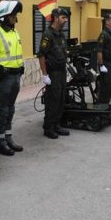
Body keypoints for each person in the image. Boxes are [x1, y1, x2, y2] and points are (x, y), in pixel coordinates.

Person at [0, 0, 24, 156]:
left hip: (16, 76)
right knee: (3, 110)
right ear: (3, 16)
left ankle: (8, 137)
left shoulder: (15, 33)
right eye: (12, 15)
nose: (15, 17)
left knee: (11, 109)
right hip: (5, 78)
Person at [37, 8, 70, 139]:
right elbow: (41, 56)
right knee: (53, 100)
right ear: (55, 18)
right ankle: (48, 127)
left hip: (61, 71)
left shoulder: (61, 34)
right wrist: (45, 75)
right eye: (63, 18)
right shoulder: (47, 34)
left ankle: (57, 124)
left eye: (66, 18)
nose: (65, 20)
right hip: (52, 73)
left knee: (61, 98)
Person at [96, 13, 111, 104]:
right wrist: (101, 65)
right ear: (107, 22)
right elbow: (99, 50)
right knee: (105, 87)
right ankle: (101, 106)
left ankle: (106, 104)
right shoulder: (104, 34)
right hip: (106, 63)